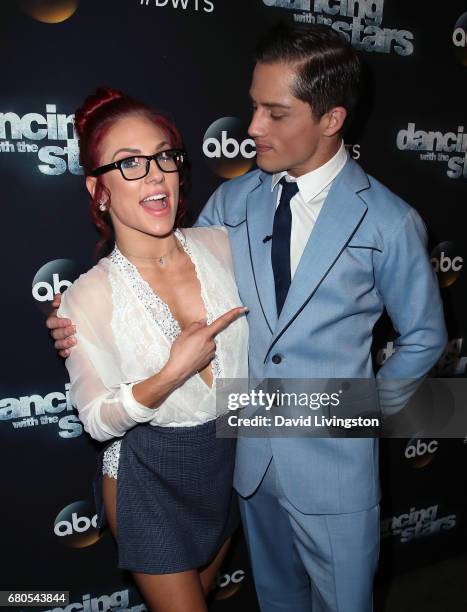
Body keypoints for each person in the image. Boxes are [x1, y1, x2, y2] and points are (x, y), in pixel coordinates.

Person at [49, 23, 447, 612]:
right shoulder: (234, 204)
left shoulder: (390, 222)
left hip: (334, 471)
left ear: (331, 120)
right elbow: (167, 260)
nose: (253, 127)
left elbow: (424, 336)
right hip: (247, 464)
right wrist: (78, 324)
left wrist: (356, 417)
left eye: (275, 113)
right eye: (253, 107)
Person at [52, 87, 249, 612]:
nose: (156, 173)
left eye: (164, 156)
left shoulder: (223, 248)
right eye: (129, 164)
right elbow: (95, 418)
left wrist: (376, 406)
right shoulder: (85, 298)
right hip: (147, 478)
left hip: (224, 464)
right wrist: (170, 374)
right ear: (98, 189)